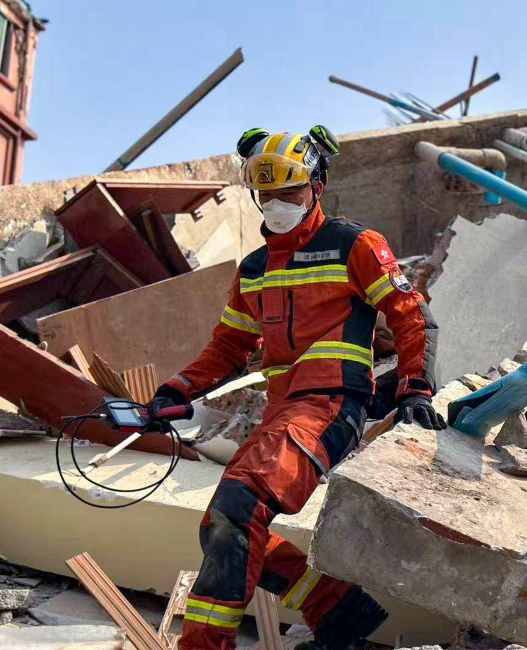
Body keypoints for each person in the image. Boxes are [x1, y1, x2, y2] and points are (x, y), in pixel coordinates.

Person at [147, 126, 444, 650]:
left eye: (291, 191)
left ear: (317, 186)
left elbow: (409, 314)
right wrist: (176, 389)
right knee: (223, 525)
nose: (278, 204)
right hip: (283, 412)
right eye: (267, 194)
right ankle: (339, 609)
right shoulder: (254, 269)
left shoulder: (355, 245)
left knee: (239, 506)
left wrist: (415, 388)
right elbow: (228, 346)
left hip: (332, 406)